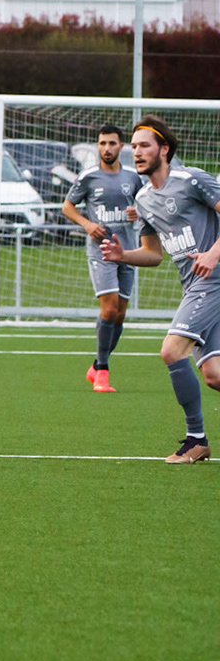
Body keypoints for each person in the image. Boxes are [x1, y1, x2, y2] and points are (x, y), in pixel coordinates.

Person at [101, 115, 220, 464]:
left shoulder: (191, 179)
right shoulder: (143, 198)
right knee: (214, 375)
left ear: (164, 149)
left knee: (171, 351)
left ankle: (195, 440)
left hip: (214, 279)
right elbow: (153, 255)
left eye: (144, 146)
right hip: (195, 286)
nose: (136, 153)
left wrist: (213, 253)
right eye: (133, 147)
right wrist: (123, 255)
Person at [59, 123, 143, 393]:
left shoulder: (134, 177)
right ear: (98, 146)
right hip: (101, 252)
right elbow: (67, 207)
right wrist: (86, 224)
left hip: (129, 252)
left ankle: (96, 364)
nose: (107, 148)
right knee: (108, 309)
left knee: (119, 315)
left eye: (112, 143)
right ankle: (103, 372)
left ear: (122, 146)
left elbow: (146, 206)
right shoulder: (88, 177)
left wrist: (138, 213)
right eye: (102, 143)